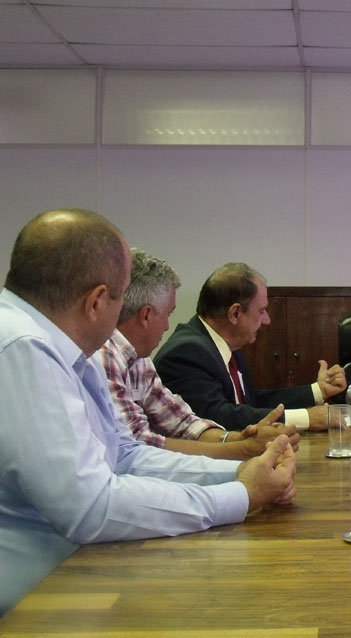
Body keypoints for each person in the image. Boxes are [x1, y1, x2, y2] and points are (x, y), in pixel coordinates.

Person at [0, 209, 297, 614]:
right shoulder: (23, 349)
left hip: (77, 574)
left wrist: (239, 473)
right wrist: (240, 496)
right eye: (122, 297)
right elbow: (91, 507)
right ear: (97, 301)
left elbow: (124, 455)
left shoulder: (60, 347)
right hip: (37, 600)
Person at [97, 248, 299, 460]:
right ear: (146, 315)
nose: (167, 326)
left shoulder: (138, 360)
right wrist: (242, 449)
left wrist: (238, 439)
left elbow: (182, 423)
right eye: (169, 313)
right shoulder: (105, 356)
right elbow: (135, 449)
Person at [154, 263, 346, 431]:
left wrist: (318, 390)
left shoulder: (223, 346)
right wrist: (306, 418)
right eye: (261, 311)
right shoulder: (187, 352)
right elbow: (216, 416)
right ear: (235, 313)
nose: (267, 320)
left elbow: (249, 403)